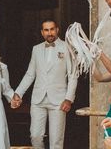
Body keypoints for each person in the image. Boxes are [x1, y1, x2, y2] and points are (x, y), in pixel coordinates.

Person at [13, 20, 78, 149]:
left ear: (57, 30)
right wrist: (18, 93)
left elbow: (73, 75)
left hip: (59, 100)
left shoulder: (67, 47)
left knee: (56, 141)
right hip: (38, 99)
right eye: (46, 30)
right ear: (42, 33)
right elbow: (30, 74)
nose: (50, 33)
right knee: (35, 136)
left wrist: (69, 99)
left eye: (52, 29)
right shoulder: (36, 49)